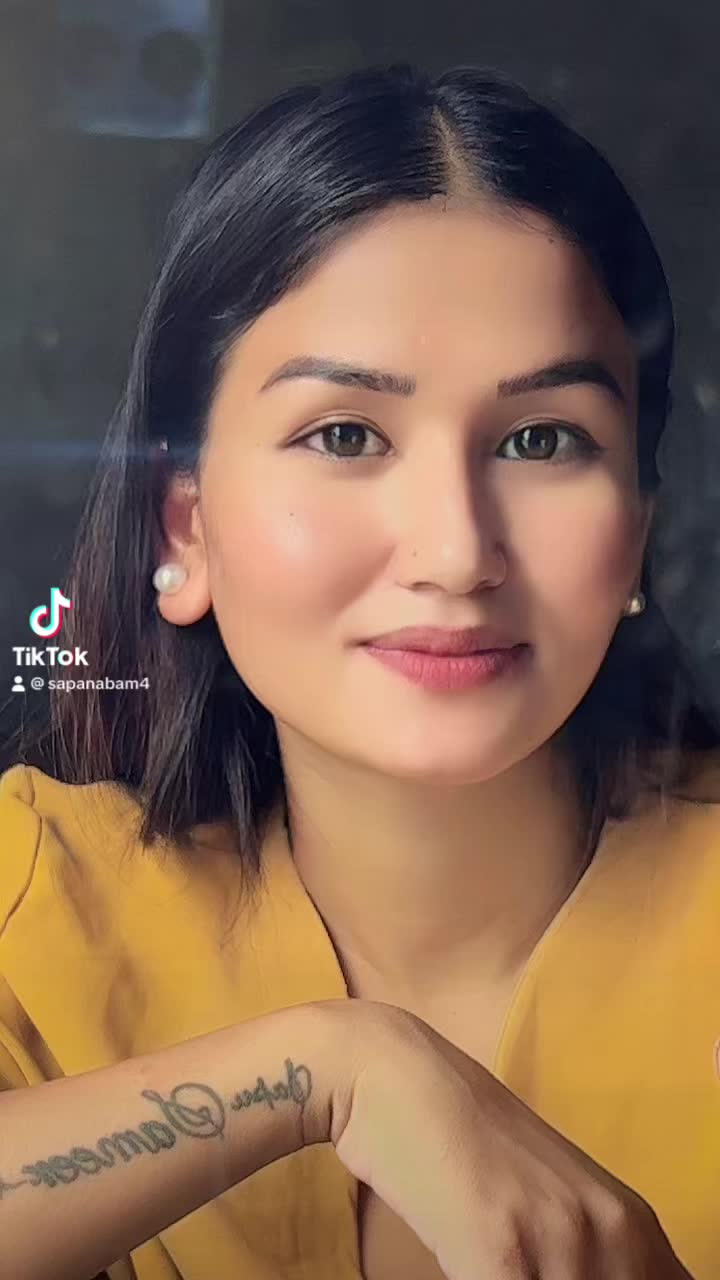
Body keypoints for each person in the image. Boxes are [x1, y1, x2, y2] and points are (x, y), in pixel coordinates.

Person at [0, 60, 717, 1280]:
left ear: (638, 528)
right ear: (185, 529)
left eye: (543, 438)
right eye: (345, 434)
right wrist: (328, 1069)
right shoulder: (42, 900)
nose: (456, 551)